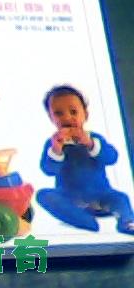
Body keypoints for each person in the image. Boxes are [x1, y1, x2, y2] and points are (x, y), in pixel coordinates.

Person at [36, 84, 134, 235]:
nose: (67, 118)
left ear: (85, 115)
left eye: (73, 112)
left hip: (101, 195)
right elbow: (48, 170)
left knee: (121, 198)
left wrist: (90, 144)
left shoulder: (94, 139)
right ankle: (84, 220)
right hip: (69, 197)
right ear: (51, 118)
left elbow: (112, 157)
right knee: (43, 195)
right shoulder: (53, 144)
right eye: (58, 113)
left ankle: (126, 222)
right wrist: (56, 150)